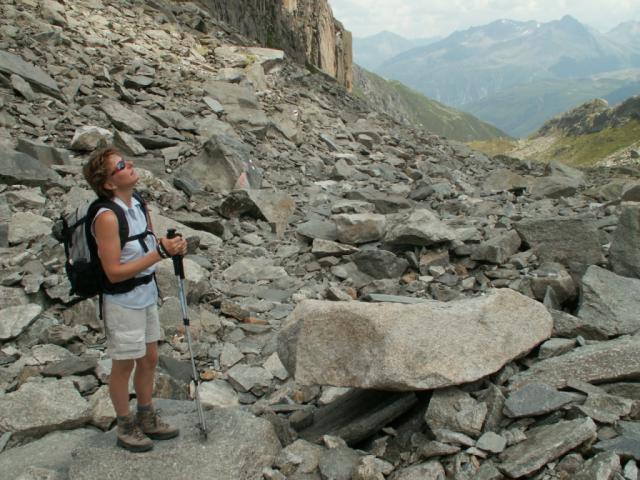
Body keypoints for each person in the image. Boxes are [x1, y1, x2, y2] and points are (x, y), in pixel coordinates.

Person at [83, 146, 186, 452]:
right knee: (123, 365)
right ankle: (125, 425)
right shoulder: (106, 217)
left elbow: (151, 244)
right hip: (123, 301)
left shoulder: (138, 203)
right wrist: (160, 253)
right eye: (121, 166)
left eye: (127, 162)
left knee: (150, 358)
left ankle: (146, 415)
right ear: (109, 184)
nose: (130, 166)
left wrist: (171, 247)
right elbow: (113, 272)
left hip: (146, 293)